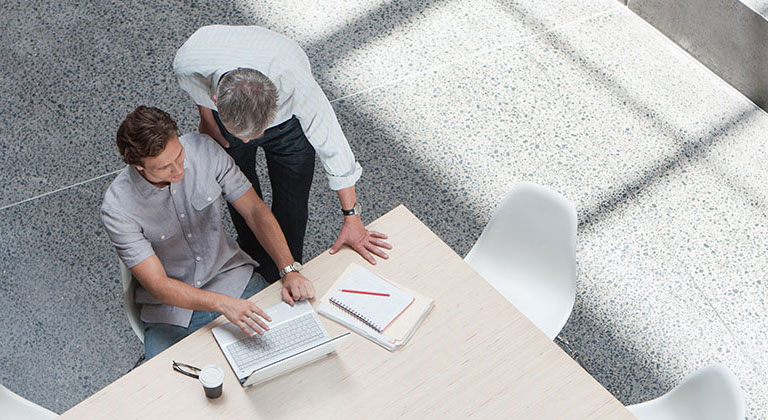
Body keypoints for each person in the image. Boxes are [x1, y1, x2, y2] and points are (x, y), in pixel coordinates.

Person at [173, 24, 391, 282]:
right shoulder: (187, 63)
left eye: (252, 134)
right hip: (227, 113)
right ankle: (254, 261)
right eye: (241, 134)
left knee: (292, 199)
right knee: (239, 194)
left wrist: (352, 217)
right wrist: (208, 120)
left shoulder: (294, 80)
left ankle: (286, 271)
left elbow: (332, 142)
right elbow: (198, 87)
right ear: (217, 99)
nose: (245, 141)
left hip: (287, 126)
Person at [100, 106, 315, 359]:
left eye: (179, 155)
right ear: (138, 167)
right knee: (170, 389)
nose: (178, 170)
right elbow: (158, 285)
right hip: (171, 310)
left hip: (233, 280)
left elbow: (255, 211)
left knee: (299, 346)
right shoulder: (118, 208)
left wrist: (289, 270)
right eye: (164, 168)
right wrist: (222, 304)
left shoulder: (203, 150)